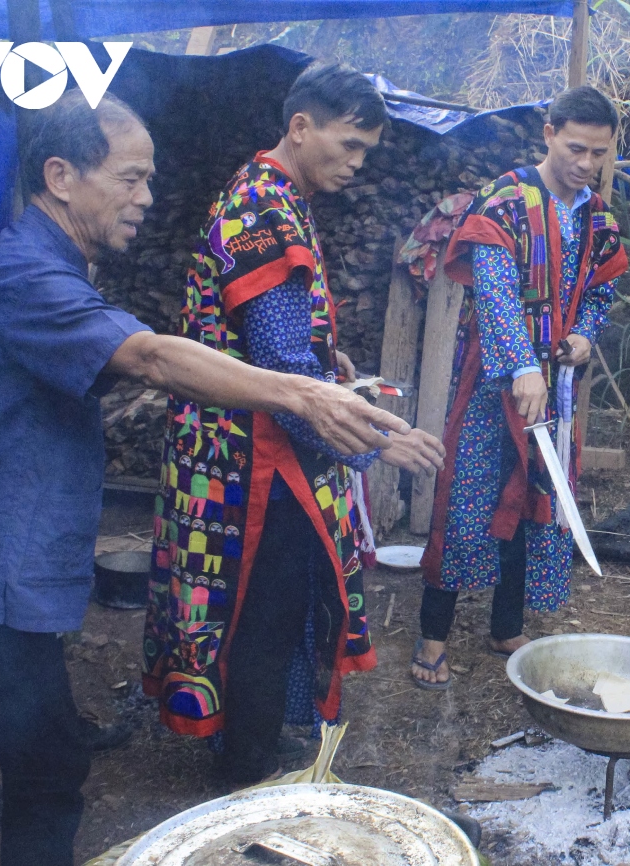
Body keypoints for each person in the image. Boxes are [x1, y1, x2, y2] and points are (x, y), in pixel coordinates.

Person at [0, 89, 430, 866]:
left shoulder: (45, 262)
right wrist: (300, 389)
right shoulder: (24, 275)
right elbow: (147, 355)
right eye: (132, 178)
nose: (148, 198)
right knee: (43, 769)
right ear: (60, 175)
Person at [141, 64, 444, 784]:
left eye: (368, 152)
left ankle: (248, 747)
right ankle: (245, 776)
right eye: (349, 145)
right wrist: (379, 442)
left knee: (258, 612)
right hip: (258, 465)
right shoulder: (268, 213)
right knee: (263, 617)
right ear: (300, 127)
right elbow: (281, 365)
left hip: (237, 449)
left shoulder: (269, 191)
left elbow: (276, 339)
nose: (357, 164)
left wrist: (323, 354)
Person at [413, 86, 628, 689]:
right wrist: (519, 367)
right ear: (549, 133)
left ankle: (506, 624)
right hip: (491, 382)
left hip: (554, 386)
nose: (586, 164)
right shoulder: (505, 199)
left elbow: (599, 294)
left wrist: (583, 338)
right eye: (576, 148)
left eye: (599, 154)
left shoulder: (598, 218)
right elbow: (495, 289)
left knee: (538, 499)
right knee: (468, 497)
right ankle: (433, 637)